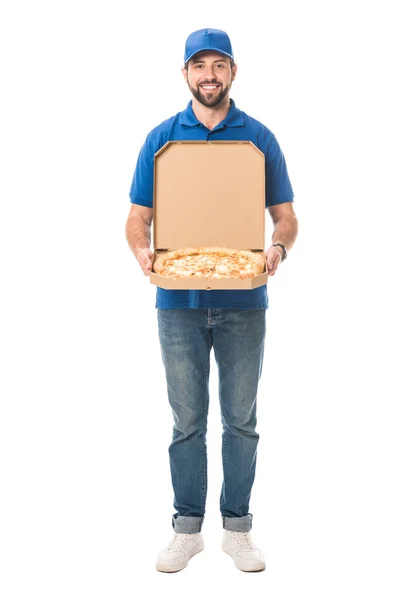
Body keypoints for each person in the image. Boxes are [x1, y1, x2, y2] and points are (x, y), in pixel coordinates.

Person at [125, 28, 298, 573]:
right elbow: (137, 220)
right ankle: (187, 528)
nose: (208, 75)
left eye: (217, 65)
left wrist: (276, 248)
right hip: (177, 300)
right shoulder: (160, 140)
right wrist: (143, 254)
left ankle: (238, 528)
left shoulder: (259, 139)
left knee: (241, 420)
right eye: (198, 65)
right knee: (187, 421)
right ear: (184, 74)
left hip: (245, 299)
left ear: (233, 72)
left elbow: (286, 216)